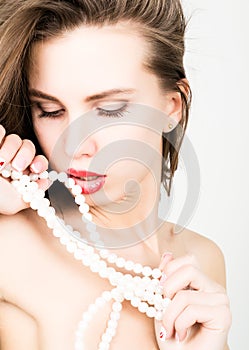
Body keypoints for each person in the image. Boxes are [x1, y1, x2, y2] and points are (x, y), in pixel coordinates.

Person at [0, 0, 231, 349]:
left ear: (172, 106)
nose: (73, 145)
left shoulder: (201, 261)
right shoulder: (11, 244)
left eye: (109, 110)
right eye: (49, 110)